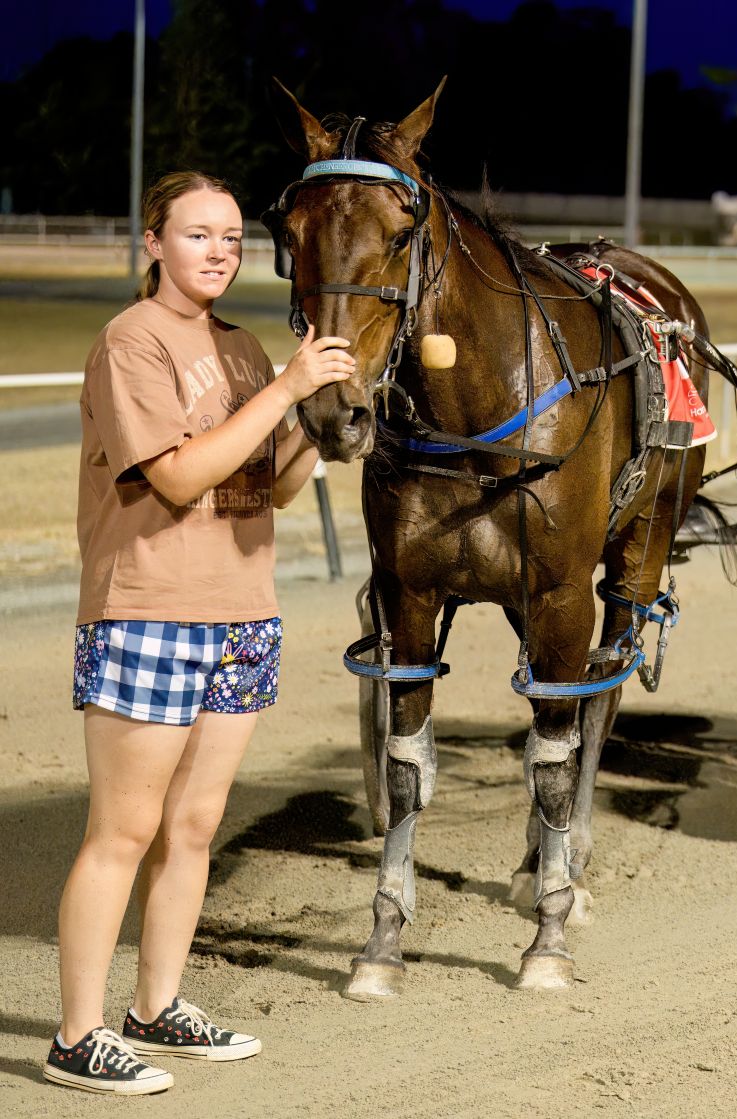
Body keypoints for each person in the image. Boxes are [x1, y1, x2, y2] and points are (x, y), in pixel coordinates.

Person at [49, 171, 354, 1094]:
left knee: (194, 824)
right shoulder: (130, 342)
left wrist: (320, 419)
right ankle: (76, 1033)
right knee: (124, 829)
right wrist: (287, 386)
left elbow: (262, 487)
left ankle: (156, 1006)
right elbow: (179, 479)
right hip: (148, 607)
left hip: (242, 611)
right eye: (196, 234)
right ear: (154, 243)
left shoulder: (244, 348)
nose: (217, 250)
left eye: (229, 236)